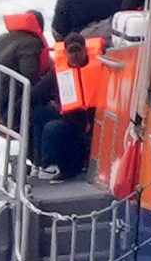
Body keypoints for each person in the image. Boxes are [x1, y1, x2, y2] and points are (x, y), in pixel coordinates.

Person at [34, 30, 106, 179]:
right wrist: (5, 116)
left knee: (54, 129)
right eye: (71, 51)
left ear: (85, 51)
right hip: (73, 125)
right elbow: (35, 94)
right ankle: (45, 163)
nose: (74, 55)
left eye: (78, 50)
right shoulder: (57, 73)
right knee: (41, 116)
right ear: (65, 53)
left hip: (99, 125)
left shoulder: (102, 67)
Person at [0, 11, 49, 123]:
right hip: (6, 107)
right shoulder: (31, 43)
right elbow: (29, 74)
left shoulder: (4, 38)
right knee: (43, 111)